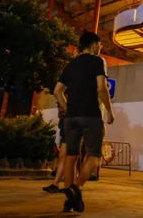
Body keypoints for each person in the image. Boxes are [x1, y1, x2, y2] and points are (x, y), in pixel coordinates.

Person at [53, 32, 115, 213]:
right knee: (94, 157)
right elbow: (102, 88)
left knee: (71, 157)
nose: (100, 48)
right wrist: (110, 111)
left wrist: (67, 107)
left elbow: (57, 91)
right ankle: (75, 188)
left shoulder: (70, 65)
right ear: (94, 45)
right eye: (100, 45)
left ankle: (70, 200)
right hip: (91, 115)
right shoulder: (98, 61)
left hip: (71, 117)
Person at [43, 102, 68, 193]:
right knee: (65, 159)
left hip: (72, 131)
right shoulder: (63, 99)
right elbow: (60, 116)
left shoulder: (74, 99)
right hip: (65, 131)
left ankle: (60, 184)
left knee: (66, 159)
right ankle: (64, 185)